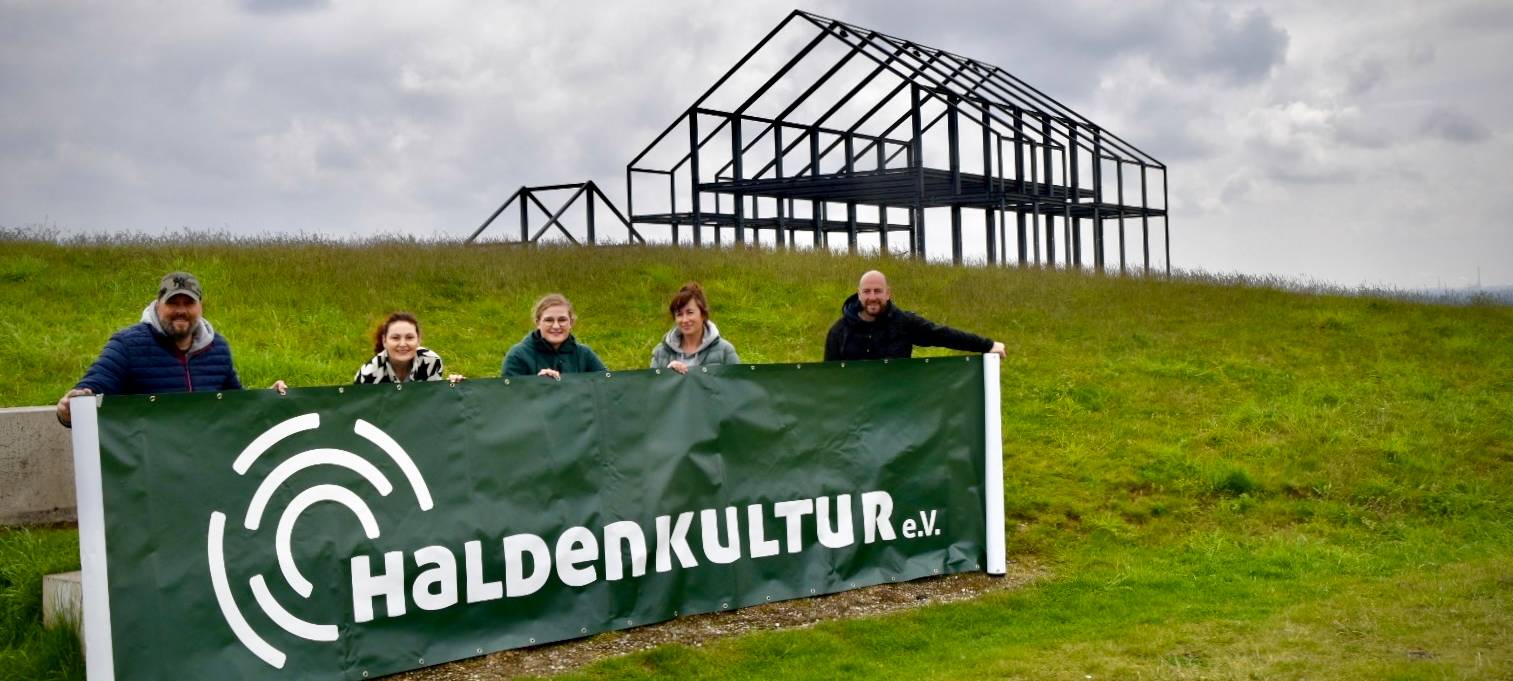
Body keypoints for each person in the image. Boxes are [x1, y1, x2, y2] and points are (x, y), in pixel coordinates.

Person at [55, 271, 279, 427]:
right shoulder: (127, 345)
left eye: (188, 303)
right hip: (148, 474)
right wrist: (70, 409)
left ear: (200, 306)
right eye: (173, 303)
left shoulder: (218, 348)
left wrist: (269, 400)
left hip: (203, 469)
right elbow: (91, 389)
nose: (181, 310)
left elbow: (237, 407)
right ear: (157, 304)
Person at [823, 270, 1007, 362]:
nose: (872, 297)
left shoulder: (903, 322)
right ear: (859, 294)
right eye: (867, 291)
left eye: (878, 291)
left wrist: (987, 345)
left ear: (888, 293)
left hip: (895, 409)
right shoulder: (838, 331)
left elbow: (942, 335)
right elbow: (830, 380)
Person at [501, 293, 607, 379]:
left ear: (571, 323)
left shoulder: (584, 354)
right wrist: (535, 384)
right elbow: (509, 398)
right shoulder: (518, 356)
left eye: (562, 320)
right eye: (549, 320)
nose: (556, 326)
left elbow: (607, 386)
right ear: (538, 323)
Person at [651, 282, 740, 374]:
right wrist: (666, 373)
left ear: (703, 314)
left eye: (690, 312)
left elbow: (738, 385)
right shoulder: (660, 353)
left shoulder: (725, 351)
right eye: (679, 314)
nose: (685, 320)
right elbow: (652, 386)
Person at [353, 312, 461, 384]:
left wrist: (452, 386)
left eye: (409, 337)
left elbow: (434, 400)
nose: (403, 344)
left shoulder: (432, 361)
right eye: (395, 338)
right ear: (384, 341)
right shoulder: (367, 374)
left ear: (418, 340)